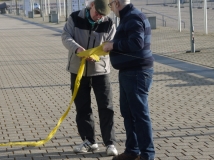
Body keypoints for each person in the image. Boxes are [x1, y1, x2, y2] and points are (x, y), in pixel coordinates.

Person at [61, 0, 118, 156]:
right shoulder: (74, 18)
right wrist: (78, 49)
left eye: (102, 15)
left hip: (101, 71)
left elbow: (112, 43)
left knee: (106, 107)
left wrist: (98, 54)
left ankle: (110, 143)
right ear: (91, 5)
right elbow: (66, 36)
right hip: (77, 70)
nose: (99, 17)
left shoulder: (109, 23)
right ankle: (89, 141)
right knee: (82, 108)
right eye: (97, 13)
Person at [103, 0, 155, 160]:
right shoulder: (129, 17)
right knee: (129, 113)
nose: (110, 9)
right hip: (129, 72)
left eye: (110, 5)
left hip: (137, 72)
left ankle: (147, 155)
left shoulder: (132, 17)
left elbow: (136, 42)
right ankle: (132, 150)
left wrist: (113, 45)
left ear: (117, 3)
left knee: (139, 114)